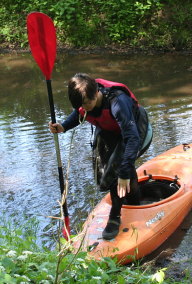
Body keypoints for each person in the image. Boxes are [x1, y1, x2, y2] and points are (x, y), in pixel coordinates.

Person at [49, 73, 152, 240]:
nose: (86, 108)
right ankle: (135, 201)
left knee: (116, 170)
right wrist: (63, 126)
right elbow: (79, 114)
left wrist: (124, 173)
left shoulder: (117, 103)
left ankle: (115, 217)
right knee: (104, 176)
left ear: (96, 93)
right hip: (110, 130)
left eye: (87, 103)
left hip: (135, 131)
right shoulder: (85, 101)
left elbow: (132, 139)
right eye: (81, 105)